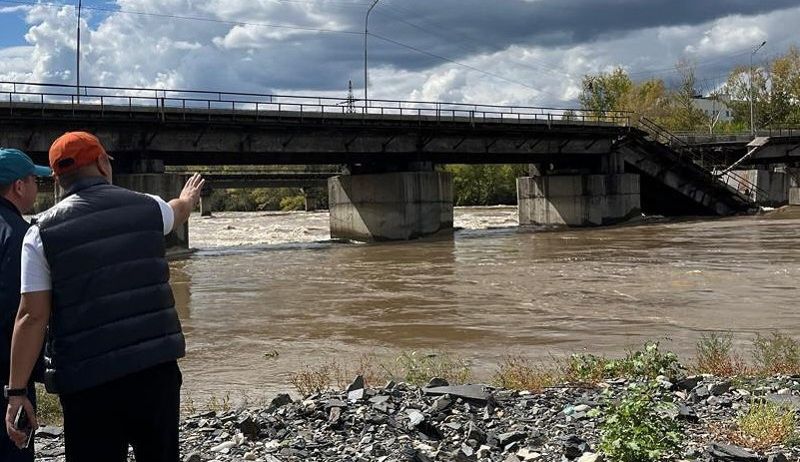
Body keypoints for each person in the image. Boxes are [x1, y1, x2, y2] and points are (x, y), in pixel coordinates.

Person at [4, 132, 204, 462]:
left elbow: (32, 316)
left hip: (87, 383)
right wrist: (188, 197)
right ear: (101, 163)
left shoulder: (39, 234)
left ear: (57, 178)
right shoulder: (148, 207)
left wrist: (16, 391)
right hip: (154, 372)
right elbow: (177, 211)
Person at [0, 148, 52, 462]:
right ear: (19, 186)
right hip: (8, 378)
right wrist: (17, 389)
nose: (37, 186)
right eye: (35, 180)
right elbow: (22, 315)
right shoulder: (21, 236)